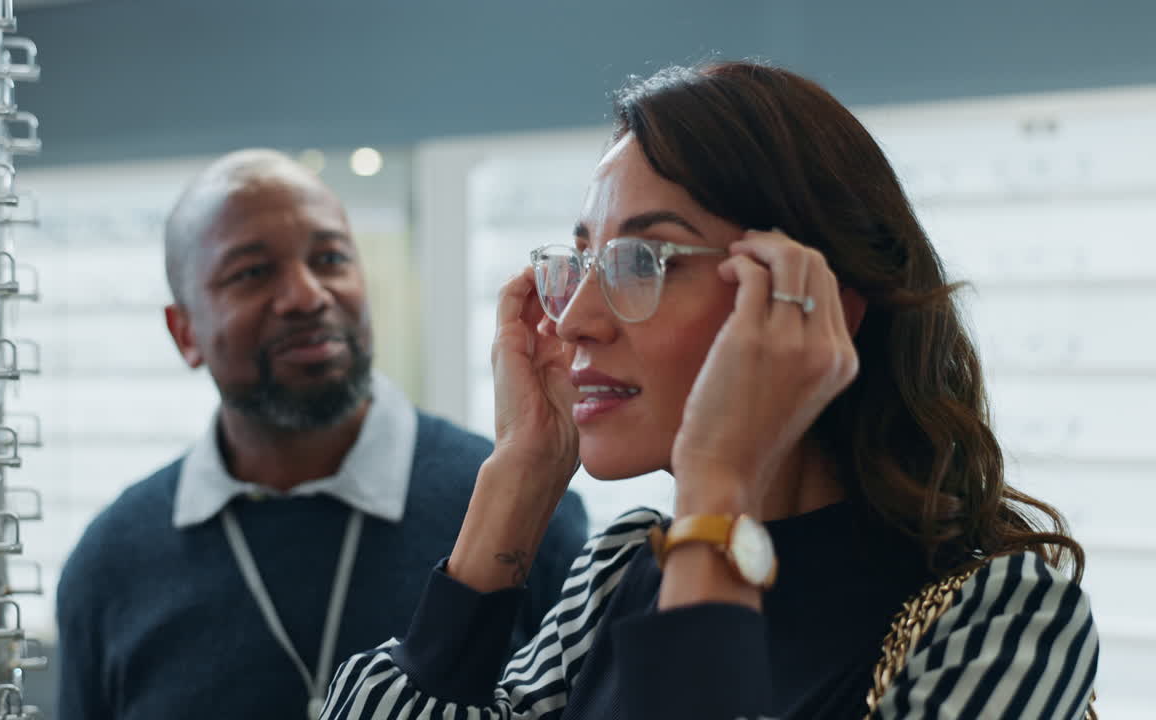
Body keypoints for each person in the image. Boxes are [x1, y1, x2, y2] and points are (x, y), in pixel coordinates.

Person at [320, 63, 1099, 719]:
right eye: (581, 262)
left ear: (818, 307)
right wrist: (518, 479)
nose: (576, 319)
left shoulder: (1004, 617)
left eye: (643, 262)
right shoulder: (622, 572)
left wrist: (718, 487)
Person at [55, 149, 588, 720]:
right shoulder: (112, 562)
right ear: (184, 332)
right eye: (253, 272)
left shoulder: (527, 513)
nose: (308, 296)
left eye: (331, 258)